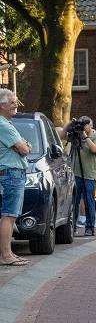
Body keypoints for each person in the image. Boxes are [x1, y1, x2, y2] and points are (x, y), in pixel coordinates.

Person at [0, 89, 31, 265]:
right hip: (11, 173)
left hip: (12, 172)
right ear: (1, 105)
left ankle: (7, 253)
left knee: (10, 215)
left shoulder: (7, 124)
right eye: (11, 102)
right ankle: (6, 255)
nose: (15, 105)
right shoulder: (3, 125)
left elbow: (24, 146)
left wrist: (22, 146)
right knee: (9, 215)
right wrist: (23, 146)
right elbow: (25, 149)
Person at [69, 116, 96, 237]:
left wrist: (85, 137)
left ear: (90, 125)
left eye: (85, 125)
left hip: (90, 175)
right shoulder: (76, 135)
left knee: (89, 201)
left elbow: (94, 149)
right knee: (74, 201)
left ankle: (89, 227)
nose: (83, 127)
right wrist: (70, 125)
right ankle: (72, 227)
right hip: (76, 174)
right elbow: (63, 136)